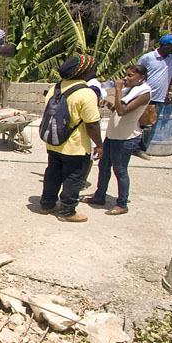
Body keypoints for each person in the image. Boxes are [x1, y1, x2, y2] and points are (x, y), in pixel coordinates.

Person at [39, 54, 104, 222]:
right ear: (84, 72)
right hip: (75, 146)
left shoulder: (55, 88)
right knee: (73, 178)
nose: (93, 72)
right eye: (92, 69)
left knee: (53, 173)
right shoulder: (86, 93)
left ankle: (47, 204)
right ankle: (67, 212)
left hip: (54, 142)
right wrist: (99, 145)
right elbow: (92, 124)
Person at [83, 65, 151, 215]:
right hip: (113, 135)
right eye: (126, 75)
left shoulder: (144, 93)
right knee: (103, 166)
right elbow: (118, 109)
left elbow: (122, 111)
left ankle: (122, 203)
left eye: (130, 76)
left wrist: (118, 89)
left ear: (142, 78)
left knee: (120, 170)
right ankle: (99, 196)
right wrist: (108, 104)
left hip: (125, 138)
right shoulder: (130, 90)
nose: (126, 78)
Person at [136, 34, 172, 159]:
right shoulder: (148, 58)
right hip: (145, 95)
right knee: (140, 123)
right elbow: (136, 74)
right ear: (165, 45)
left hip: (159, 96)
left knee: (148, 123)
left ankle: (140, 148)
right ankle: (136, 149)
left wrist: (170, 92)